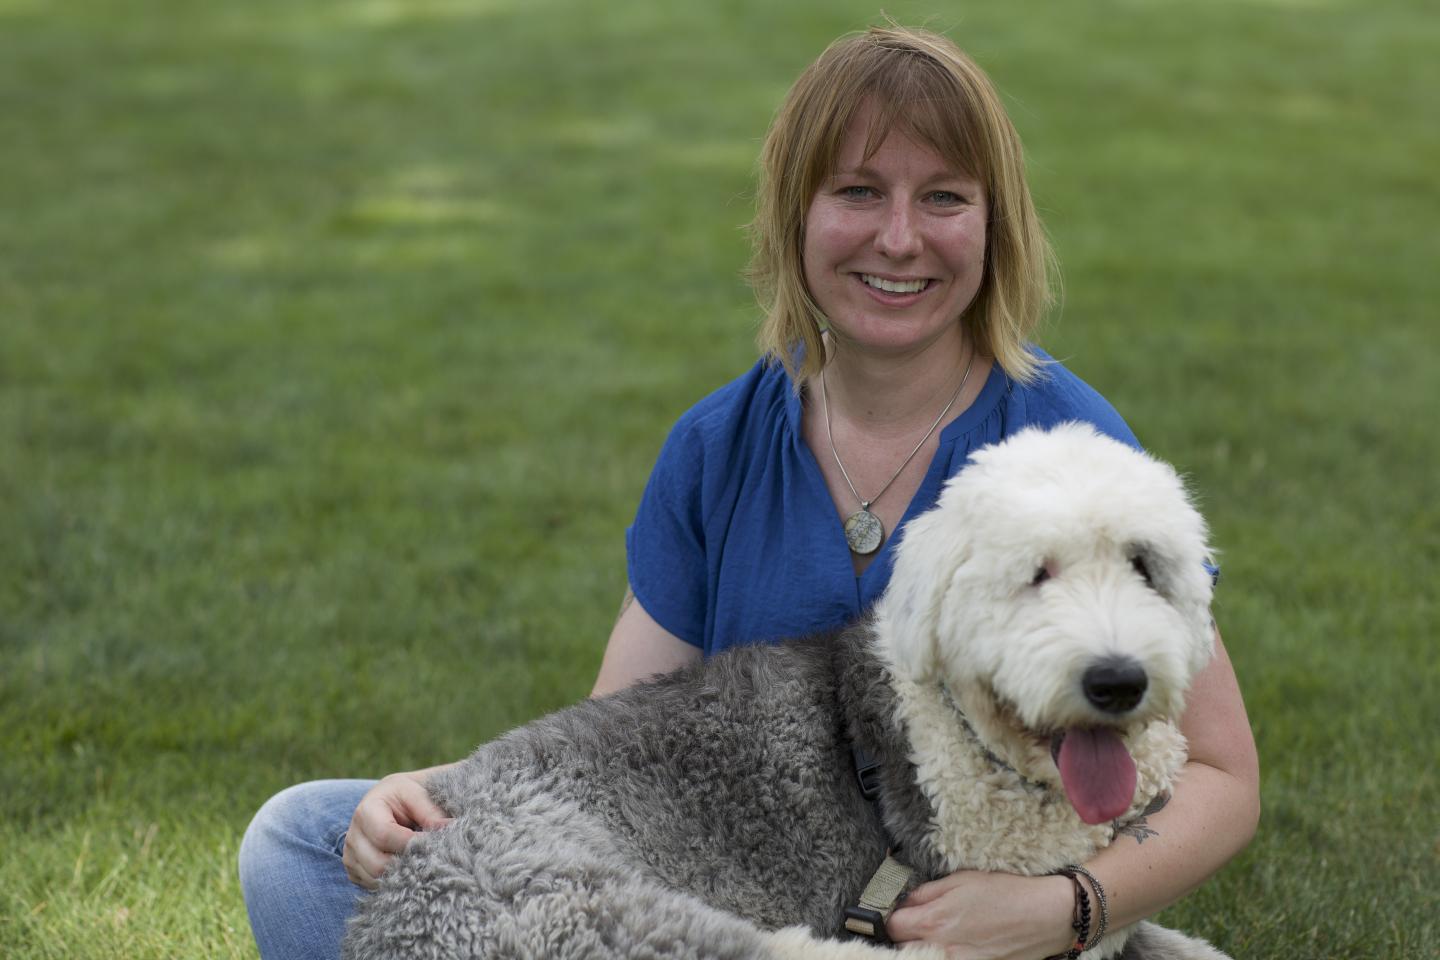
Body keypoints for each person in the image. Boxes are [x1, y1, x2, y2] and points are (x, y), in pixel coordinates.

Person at [239, 25, 1259, 960]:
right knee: (305, 838)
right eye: (859, 192)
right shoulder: (720, 445)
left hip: (968, 901)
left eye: (943, 197)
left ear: (994, 226)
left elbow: (1221, 774)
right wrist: (442, 794)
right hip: (739, 887)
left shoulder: (1066, 448)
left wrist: (1068, 908)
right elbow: (619, 742)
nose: (899, 239)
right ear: (795, 216)